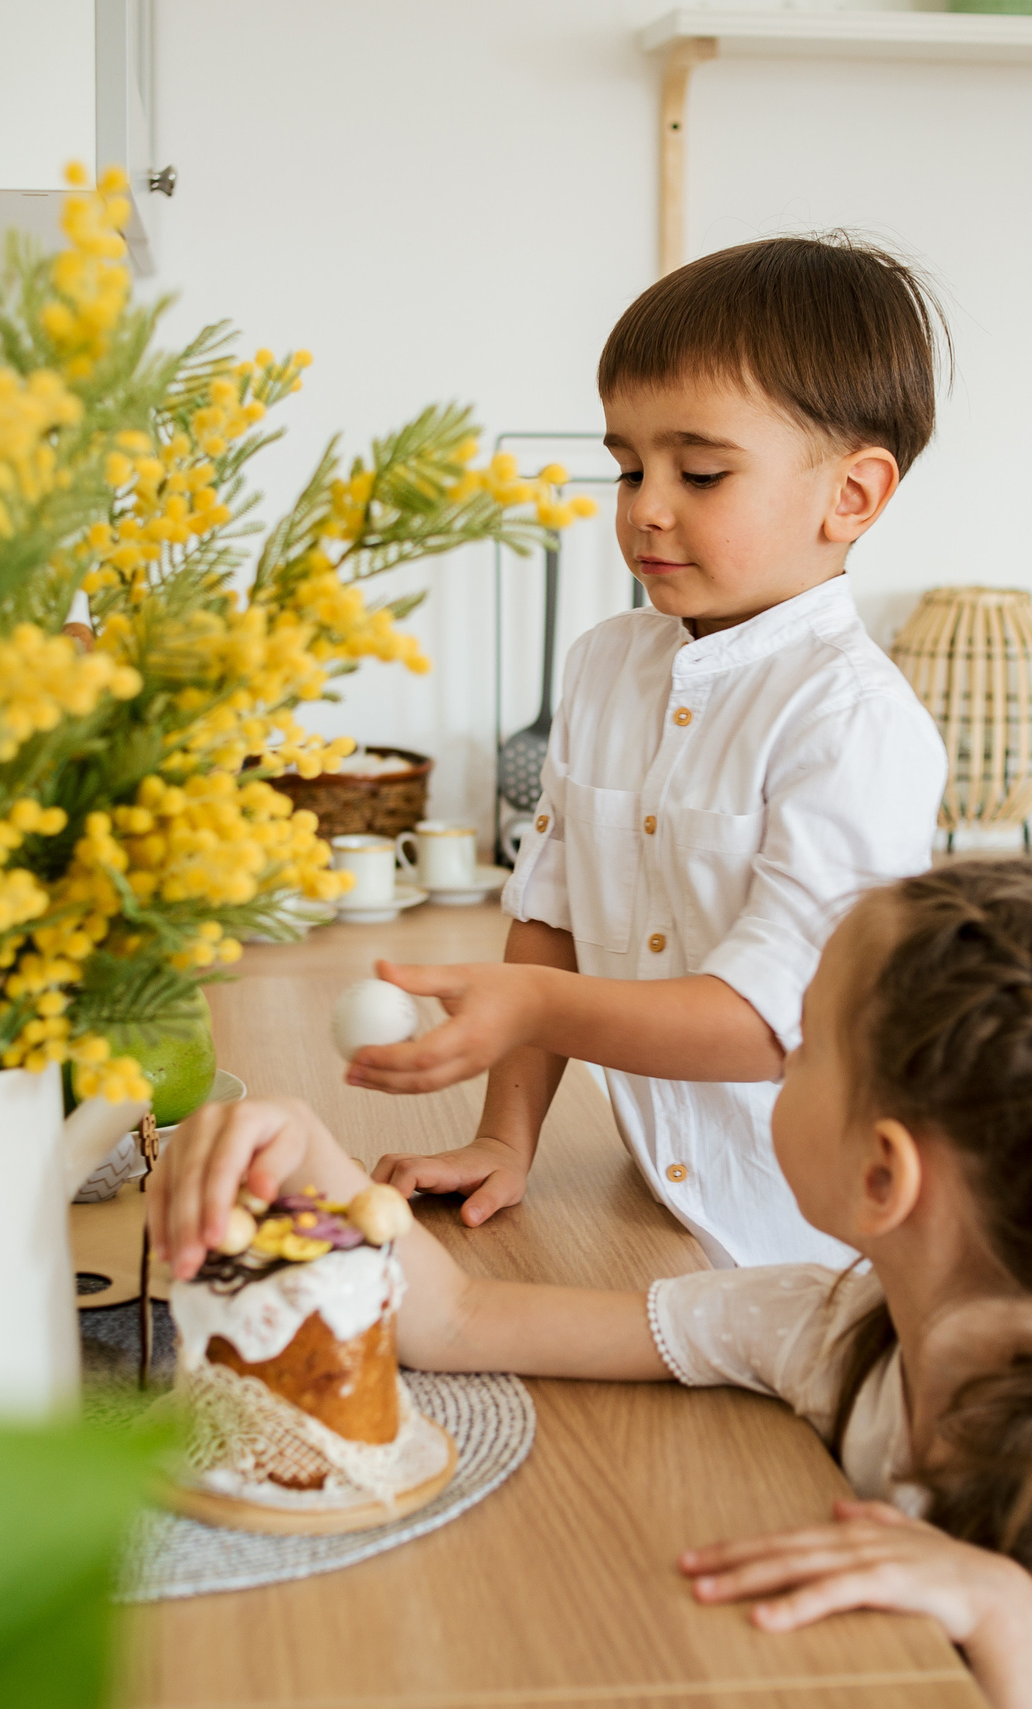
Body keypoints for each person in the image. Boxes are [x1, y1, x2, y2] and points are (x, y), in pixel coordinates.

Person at [153, 862, 1032, 1709]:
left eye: (802, 1045)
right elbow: (460, 1317)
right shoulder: (835, 1326)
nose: (775, 1065)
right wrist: (314, 1154)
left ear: (882, 1171)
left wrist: (1005, 1617)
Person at [347, 235, 950, 1269]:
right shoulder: (604, 667)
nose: (643, 507)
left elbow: (768, 1024)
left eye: (701, 471)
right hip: (655, 1213)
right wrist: (505, 1134)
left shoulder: (853, 723)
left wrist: (529, 1007)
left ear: (849, 495)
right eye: (627, 466)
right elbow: (551, 916)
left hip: (804, 1244)